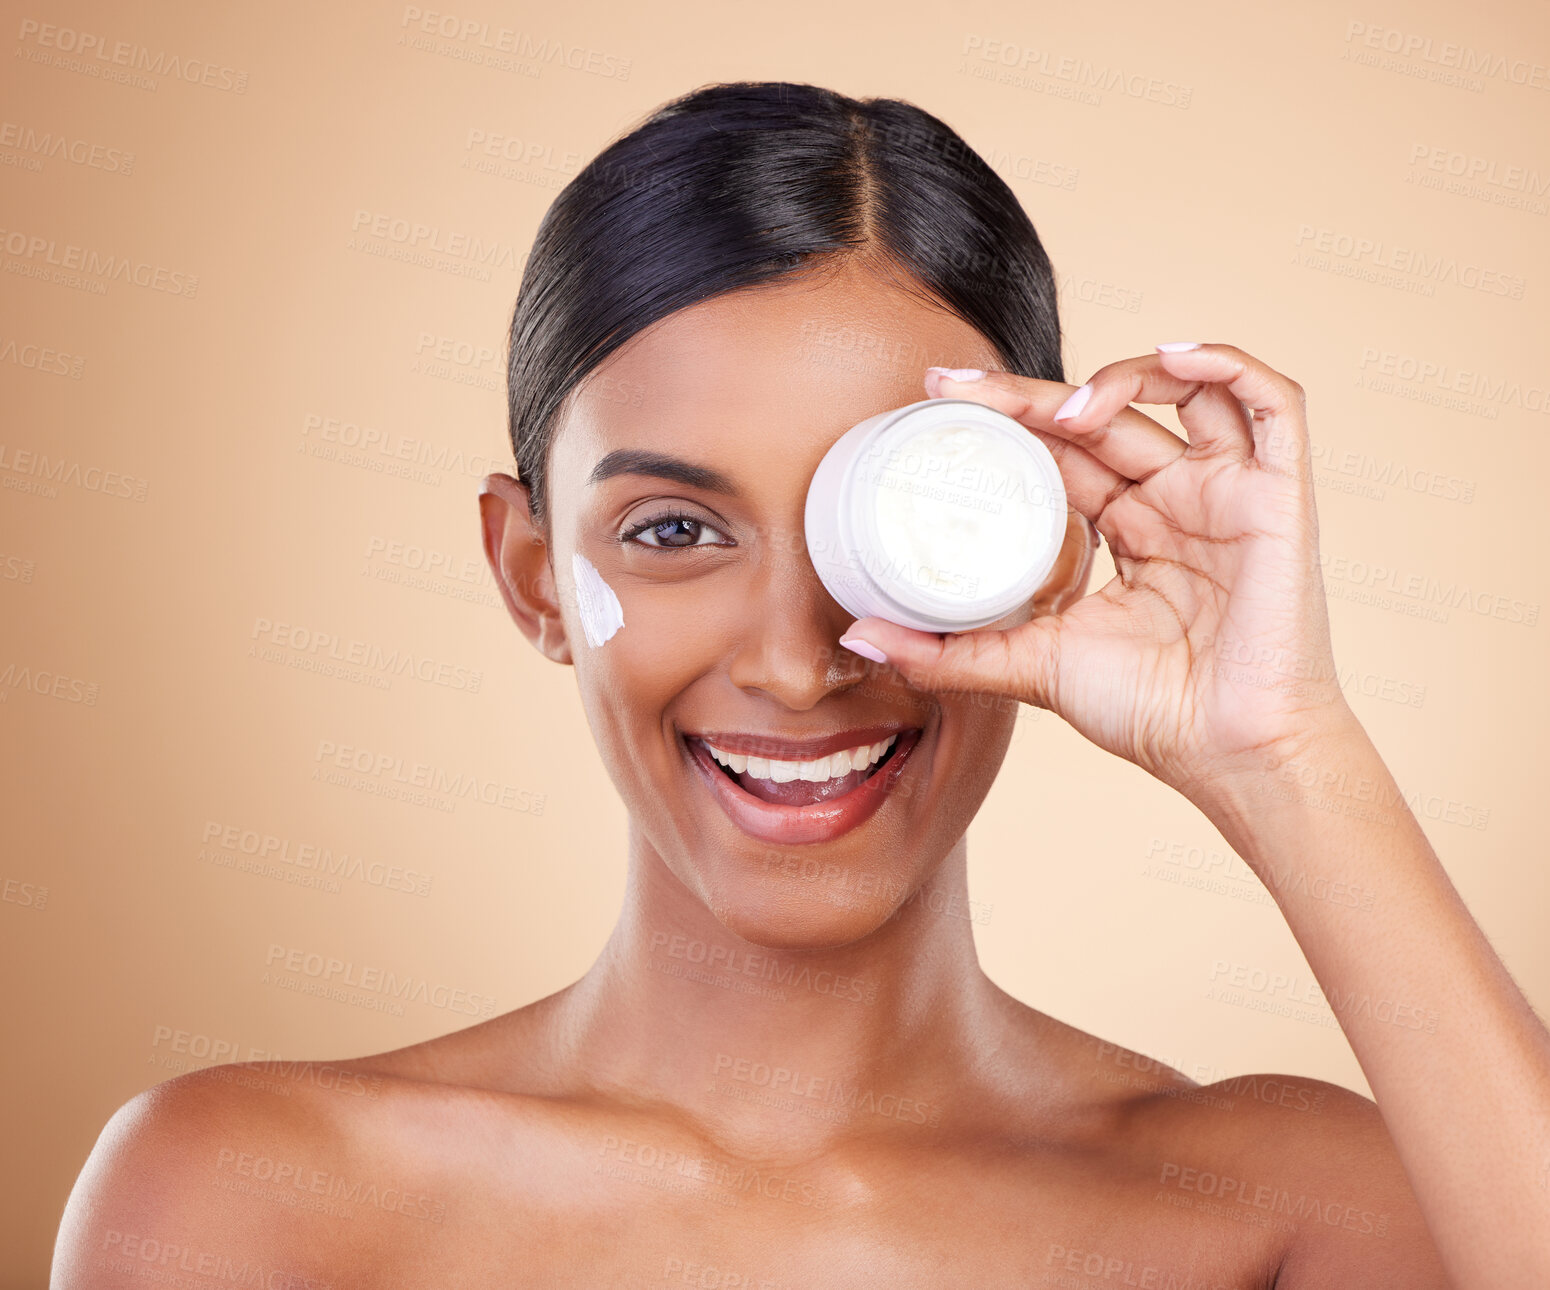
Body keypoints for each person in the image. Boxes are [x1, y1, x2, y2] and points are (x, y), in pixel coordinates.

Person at [52, 81, 1549, 1289]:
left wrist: (1282, 746)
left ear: (1046, 550)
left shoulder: (1297, 1209)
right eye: (674, 530)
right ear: (528, 573)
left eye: (887, 527)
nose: (791, 654)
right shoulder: (249, 1199)